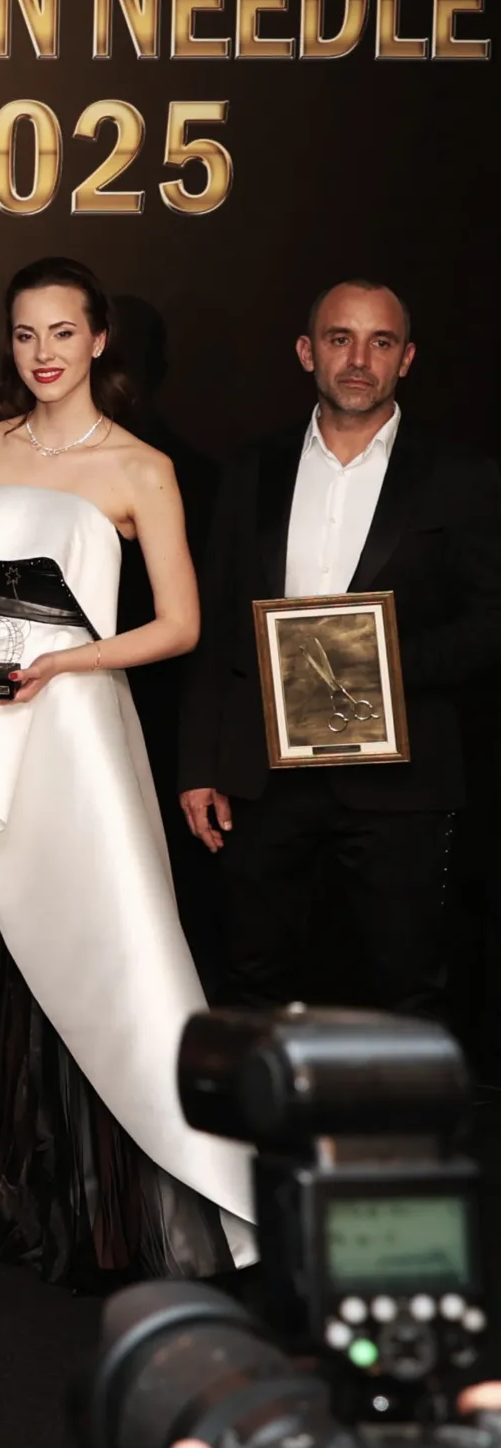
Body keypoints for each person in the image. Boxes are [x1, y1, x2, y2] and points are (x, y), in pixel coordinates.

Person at [0, 257, 255, 1287]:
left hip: (69, 722)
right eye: (25, 335)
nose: (43, 354)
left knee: (91, 936)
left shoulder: (141, 468)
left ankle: (82, 1204)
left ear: (98, 340)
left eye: (62, 333)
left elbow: (180, 623)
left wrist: (67, 661)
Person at [180, 281, 501, 1019]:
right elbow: (217, 623)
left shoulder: (459, 475)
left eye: (380, 342)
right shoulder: (250, 471)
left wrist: (372, 666)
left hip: (402, 779)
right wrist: (199, 764)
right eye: (339, 339)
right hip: (262, 775)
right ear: (306, 351)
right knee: (250, 981)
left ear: (406, 358)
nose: (359, 359)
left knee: (407, 989)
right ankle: (252, 1104)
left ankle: (397, 1106)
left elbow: (491, 620)